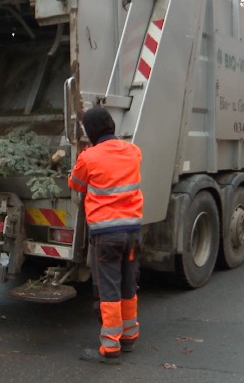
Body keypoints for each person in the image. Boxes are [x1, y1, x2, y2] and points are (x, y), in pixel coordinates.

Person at [68, 106, 143, 365]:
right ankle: (129, 336)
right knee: (128, 283)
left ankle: (110, 346)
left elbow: (76, 185)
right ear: (111, 125)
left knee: (109, 287)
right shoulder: (133, 151)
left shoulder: (89, 158)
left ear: (90, 132)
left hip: (107, 234)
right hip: (133, 231)